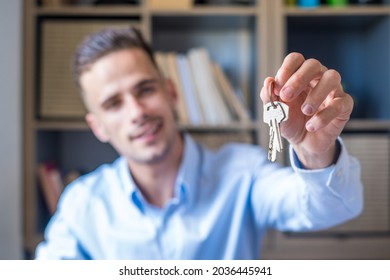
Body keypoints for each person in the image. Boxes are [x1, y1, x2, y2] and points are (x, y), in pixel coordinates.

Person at [35, 27, 363, 260]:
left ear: (171, 93)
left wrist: (314, 151)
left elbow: (331, 209)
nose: (137, 112)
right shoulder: (81, 204)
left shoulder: (243, 173)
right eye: (113, 104)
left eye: (145, 90)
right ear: (98, 127)